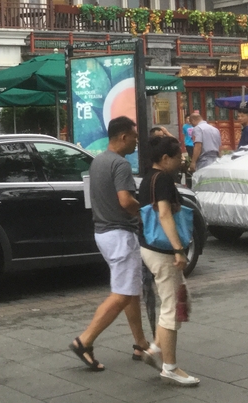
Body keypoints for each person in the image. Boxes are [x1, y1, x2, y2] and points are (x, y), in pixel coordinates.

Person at [70, 116, 153, 371]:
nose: (136, 143)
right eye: (135, 138)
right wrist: (146, 213)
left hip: (103, 232)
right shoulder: (120, 164)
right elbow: (125, 200)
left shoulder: (98, 161)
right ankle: (84, 340)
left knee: (130, 291)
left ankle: (140, 344)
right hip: (119, 235)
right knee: (123, 294)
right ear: (124, 137)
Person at [139, 136, 200, 386]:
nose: (181, 161)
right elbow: (164, 214)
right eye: (178, 157)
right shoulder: (162, 179)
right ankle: (170, 367)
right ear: (165, 159)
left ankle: (155, 348)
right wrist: (178, 249)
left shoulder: (147, 178)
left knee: (177, 301)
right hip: (162, 250)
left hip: (149, 246)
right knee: (172, 308)